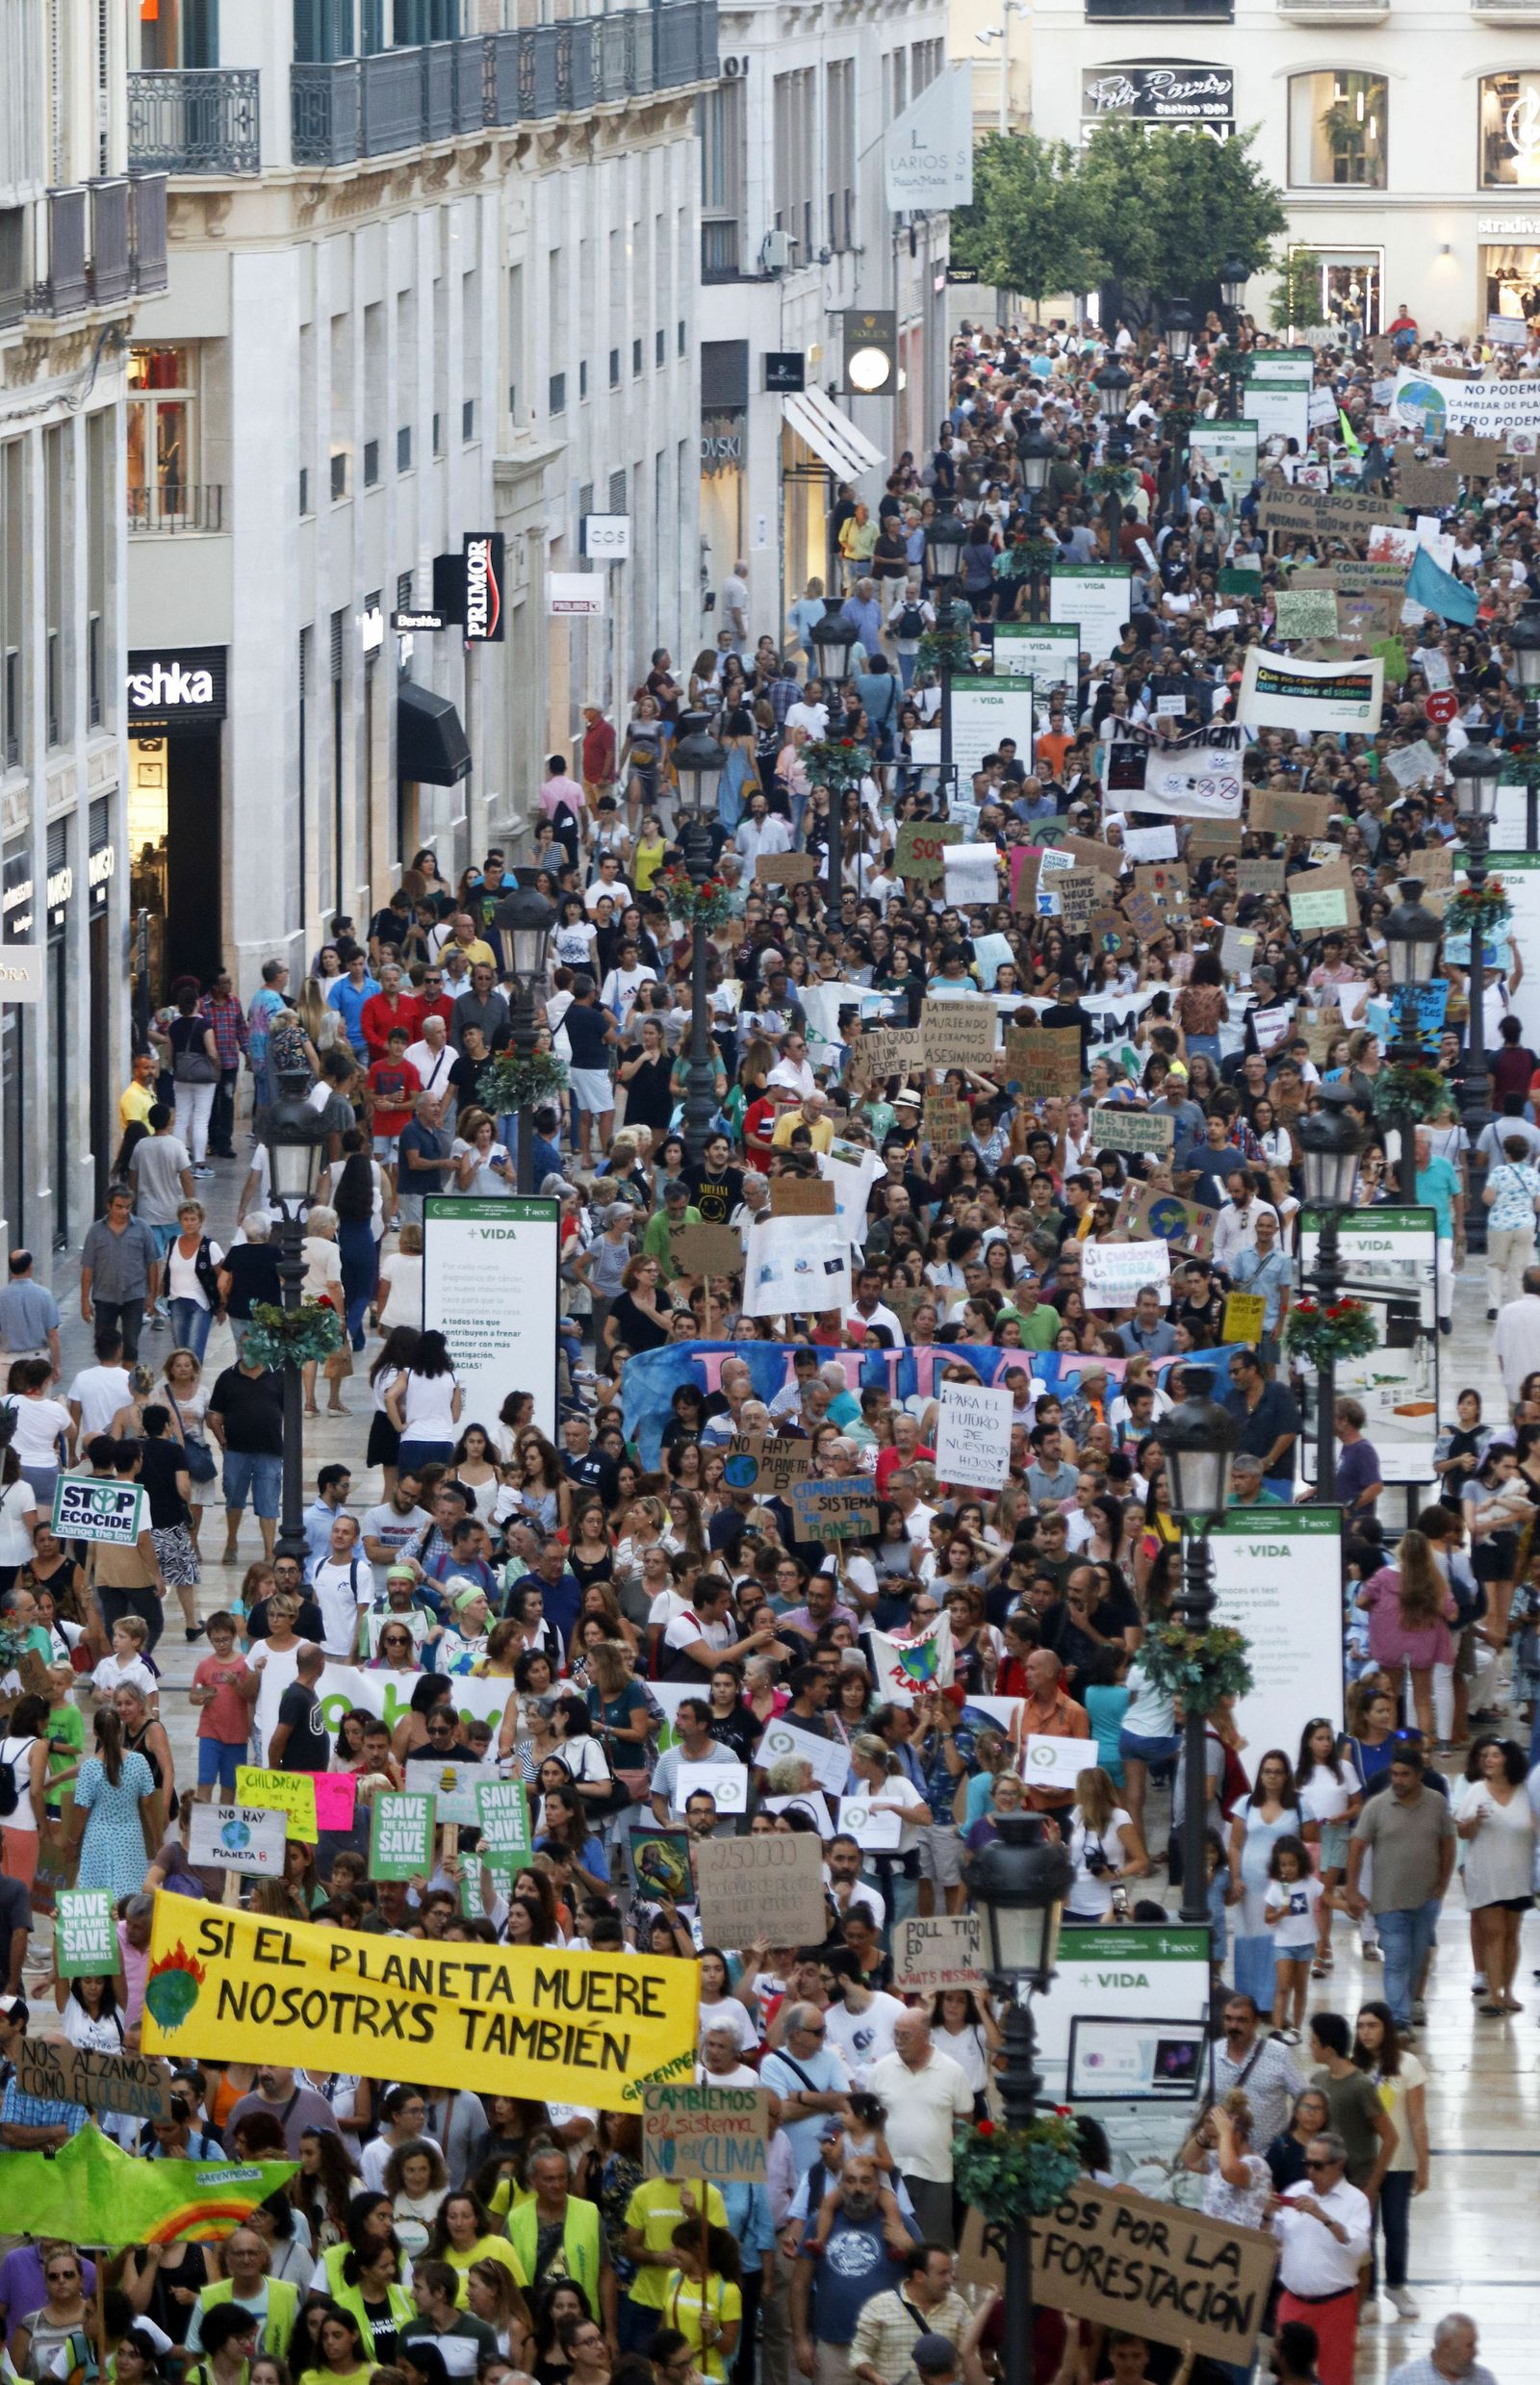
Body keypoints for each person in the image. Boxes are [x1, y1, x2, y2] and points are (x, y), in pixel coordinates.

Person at [1345, 1751, 1456, 2033]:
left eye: (1405, 1774)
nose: (1398, 1780)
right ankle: (1399, 2019)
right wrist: (1352, 1890)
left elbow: (1448, 1843)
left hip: (1425, 1901)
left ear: (1419, 1775)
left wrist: (1443, 1884)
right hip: (1388, 1902)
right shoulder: (1377, 1806)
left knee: (1417, 1960)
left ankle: (1404, 2007)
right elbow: (1357, 1846)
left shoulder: (1437, 1803)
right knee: (1396, 1958)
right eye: (1394, 1774)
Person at [1270, 2132, 1372, 2385]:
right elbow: (1274, 2239)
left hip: (1333, 2307)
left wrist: (1323, 2217)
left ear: (1338, 2165)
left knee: (1334, 2376)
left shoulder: (1355, 2201)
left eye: (1318, 2165)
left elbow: (1357, 2245)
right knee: (1287, 2375)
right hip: (1293, 2301)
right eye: (1307, 2164)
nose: (1310, 2171)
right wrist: (1267, 2215)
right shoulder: (1295, 2191)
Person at [1386, 2314, 1500, 2385]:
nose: (1475, 2353)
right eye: (1469, 2345)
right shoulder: (1405, 2378)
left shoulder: (1484, 2379)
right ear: (1446, 2346)